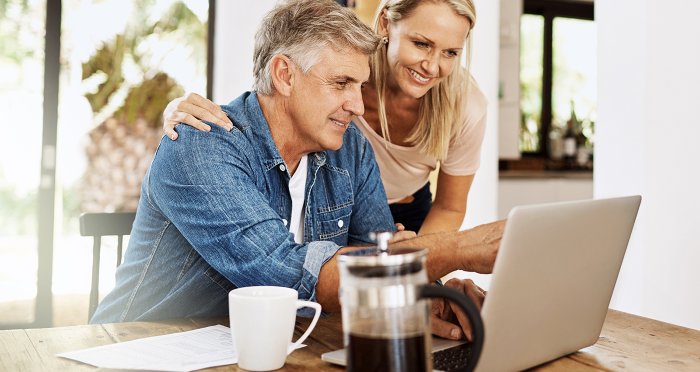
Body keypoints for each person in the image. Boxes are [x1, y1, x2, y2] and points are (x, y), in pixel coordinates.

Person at [92, 0, 504, 342]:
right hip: (139, 347)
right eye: (341, 83)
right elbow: (287, 273)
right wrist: (458, 249)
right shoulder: (201, 146)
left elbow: (377, 259)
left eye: (360, 86)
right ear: (285, 75)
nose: (358, 107)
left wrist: (430, 297)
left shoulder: (350, 150)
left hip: (265, 347)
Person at [164, 0, 486, 235]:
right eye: (421, 44)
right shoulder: (348, 59)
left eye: (450, 53)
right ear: (386, 24)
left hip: (407, 214)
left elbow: (449, 206)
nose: (432, 66)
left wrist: (426, 272)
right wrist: (182, 116)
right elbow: (273, 99)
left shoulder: (465, 106)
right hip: (333, 197)